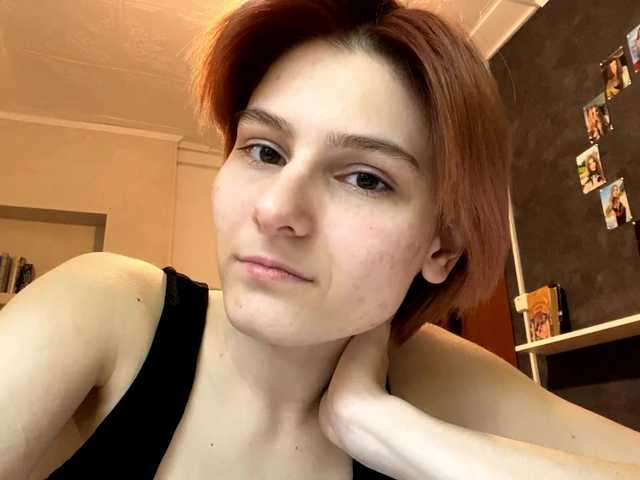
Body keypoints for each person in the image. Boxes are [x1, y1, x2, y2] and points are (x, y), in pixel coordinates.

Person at [2, 1, 640, 479]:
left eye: (365, 178)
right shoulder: (109, 311)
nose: (276, 209)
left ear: (441, 247)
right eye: (264, 150)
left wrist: (382, 427)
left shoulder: (430, 377)